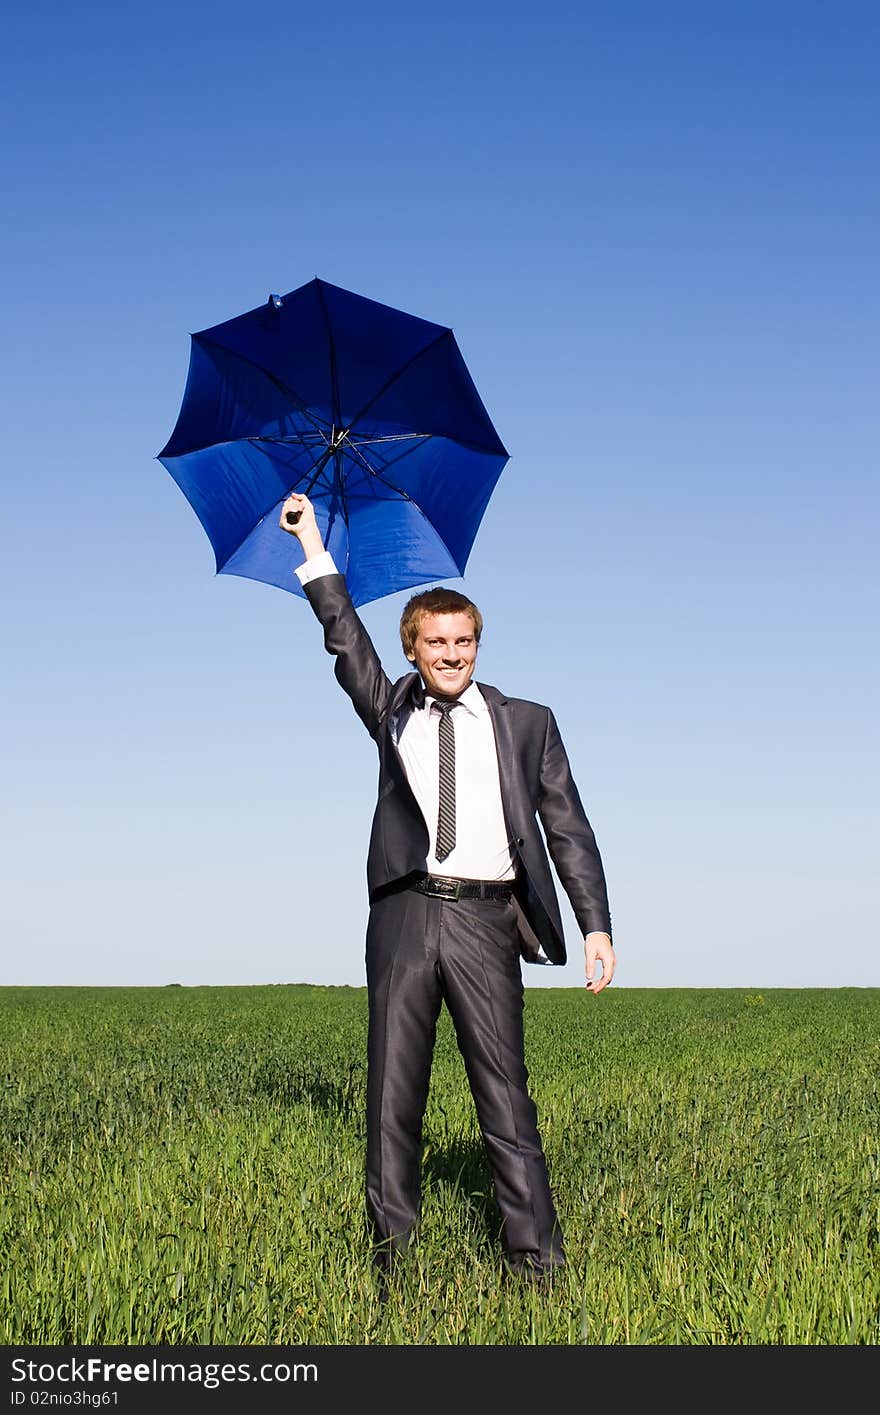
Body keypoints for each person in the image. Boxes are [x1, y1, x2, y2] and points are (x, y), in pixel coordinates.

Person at [279, 492, 615, 1284]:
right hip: (402, 913)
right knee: (393, 1097)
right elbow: (343, 639)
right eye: (437, 641)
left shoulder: (528, 721)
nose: (453, 653)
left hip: (485, 922)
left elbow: (568, 825)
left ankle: (536, 1265)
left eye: (464, 640)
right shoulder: (389, 705)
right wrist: (311, 541)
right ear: (414, 648)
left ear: (478, 644)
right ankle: (390, 1263)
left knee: (506, 1097)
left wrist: (595, 922)